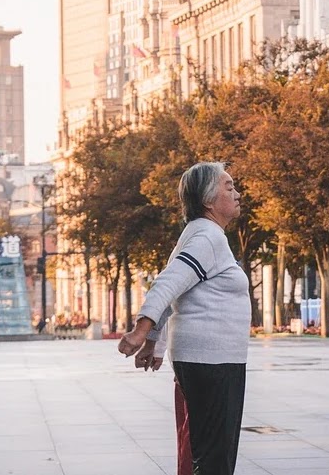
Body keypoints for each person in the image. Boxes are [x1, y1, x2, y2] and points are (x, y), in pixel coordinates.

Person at [118, 162, 250, 475]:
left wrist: (153, 342)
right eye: (228, 188)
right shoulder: (207, 238)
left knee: (206, 454)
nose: (238, 194)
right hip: (213, 362)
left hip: (208, 360)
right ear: (208, 200)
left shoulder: (198, 233)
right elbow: (167, 283)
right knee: (215, 459)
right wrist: (141, 331)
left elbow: (175, 289)